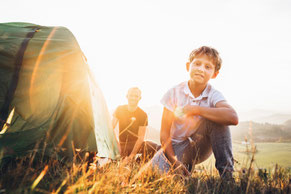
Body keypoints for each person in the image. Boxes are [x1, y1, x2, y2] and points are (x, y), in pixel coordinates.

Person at [152, 46, 238, 178]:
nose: (201, 69)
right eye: (197, 63)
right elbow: (164, 133)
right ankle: (181, 165)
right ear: (188, 66)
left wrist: (196, 109)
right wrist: (175, 162)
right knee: (155, 176)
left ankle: (227, 177)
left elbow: (232, 117)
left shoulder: (213, 94)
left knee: (219, 119)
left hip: (198, 145)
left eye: (207, 67)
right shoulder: (174, 93)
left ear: (215, 74)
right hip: (174, 147)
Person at [112, 87, 160, 161]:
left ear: (140, 98)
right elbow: (110, 129)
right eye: (131, 95)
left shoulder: (143, 115)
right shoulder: (119, 109)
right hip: (121, 144)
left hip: (135, 145)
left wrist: (131, 156)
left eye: (136, 96)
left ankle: (137, 162)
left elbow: (141, 138)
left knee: (156, 147)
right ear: (127, 96)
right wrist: (117, 145)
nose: (133, 98)